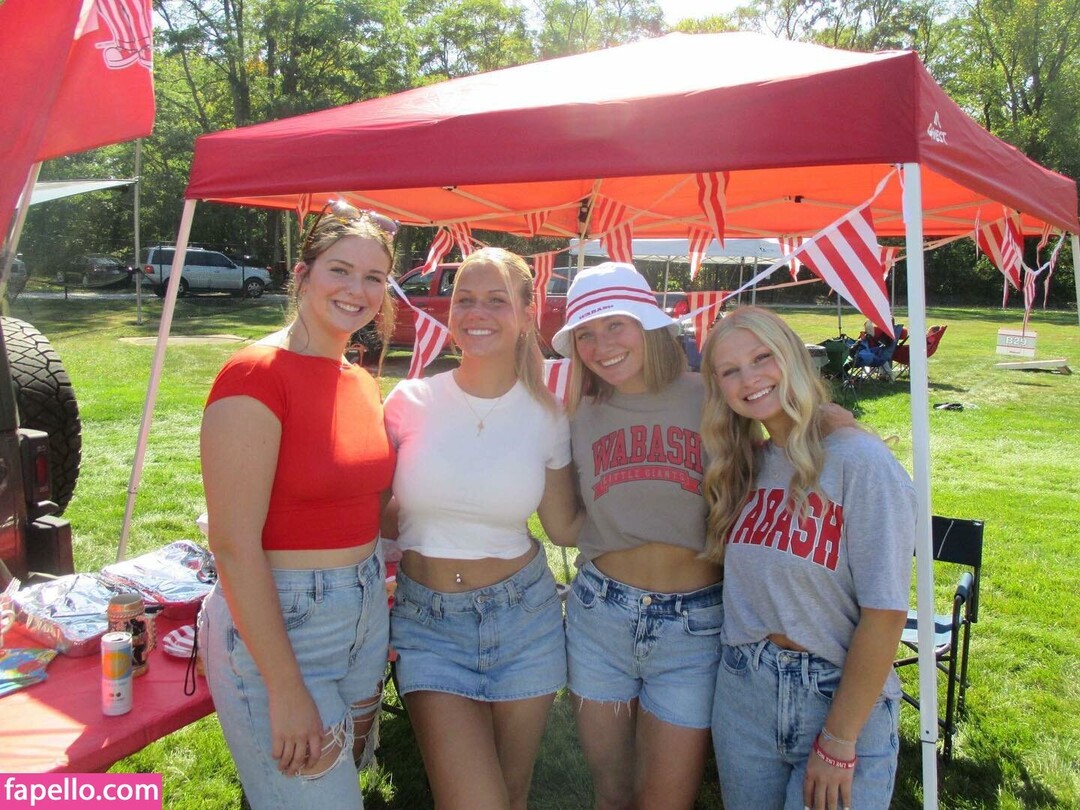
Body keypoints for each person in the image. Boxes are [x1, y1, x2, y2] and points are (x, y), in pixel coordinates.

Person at [199, 201, 398, 809]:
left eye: (373, 277)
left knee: (338, 778)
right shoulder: (255, 375)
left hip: (364, 610)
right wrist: (284, 688)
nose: (357, 290)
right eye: (341, 270)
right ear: (302, 274)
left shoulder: (358, 379)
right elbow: (232, 544)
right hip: (285, 626)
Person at [382, 247, 581, 810]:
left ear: (525, 314)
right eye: (464, 299)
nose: (477, 312)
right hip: (428, 624)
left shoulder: (548, 414)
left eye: (496, 300)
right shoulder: (409, 401)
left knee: (512, 796)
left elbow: (564, 527)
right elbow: (370, 511)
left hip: (524, 619)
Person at [700, 306, 914, 810]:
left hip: (836, 695)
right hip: (744, 694)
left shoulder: (861, 463)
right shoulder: (743, 466)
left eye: (762, 358)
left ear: (793, 356)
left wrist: (839, 740)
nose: (749, 379)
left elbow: (885, 613)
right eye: (730, 371)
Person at [550, 262, 724, 810]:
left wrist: (831, 420)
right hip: (601, 615)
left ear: (648, 323)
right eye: (585, 334)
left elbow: (788, 425)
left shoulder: (715, 397)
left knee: (665, 800)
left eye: (615, 325)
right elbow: (563, 525)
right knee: (612, 794)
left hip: (695, 624)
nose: (601, 346)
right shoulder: (576, 412)